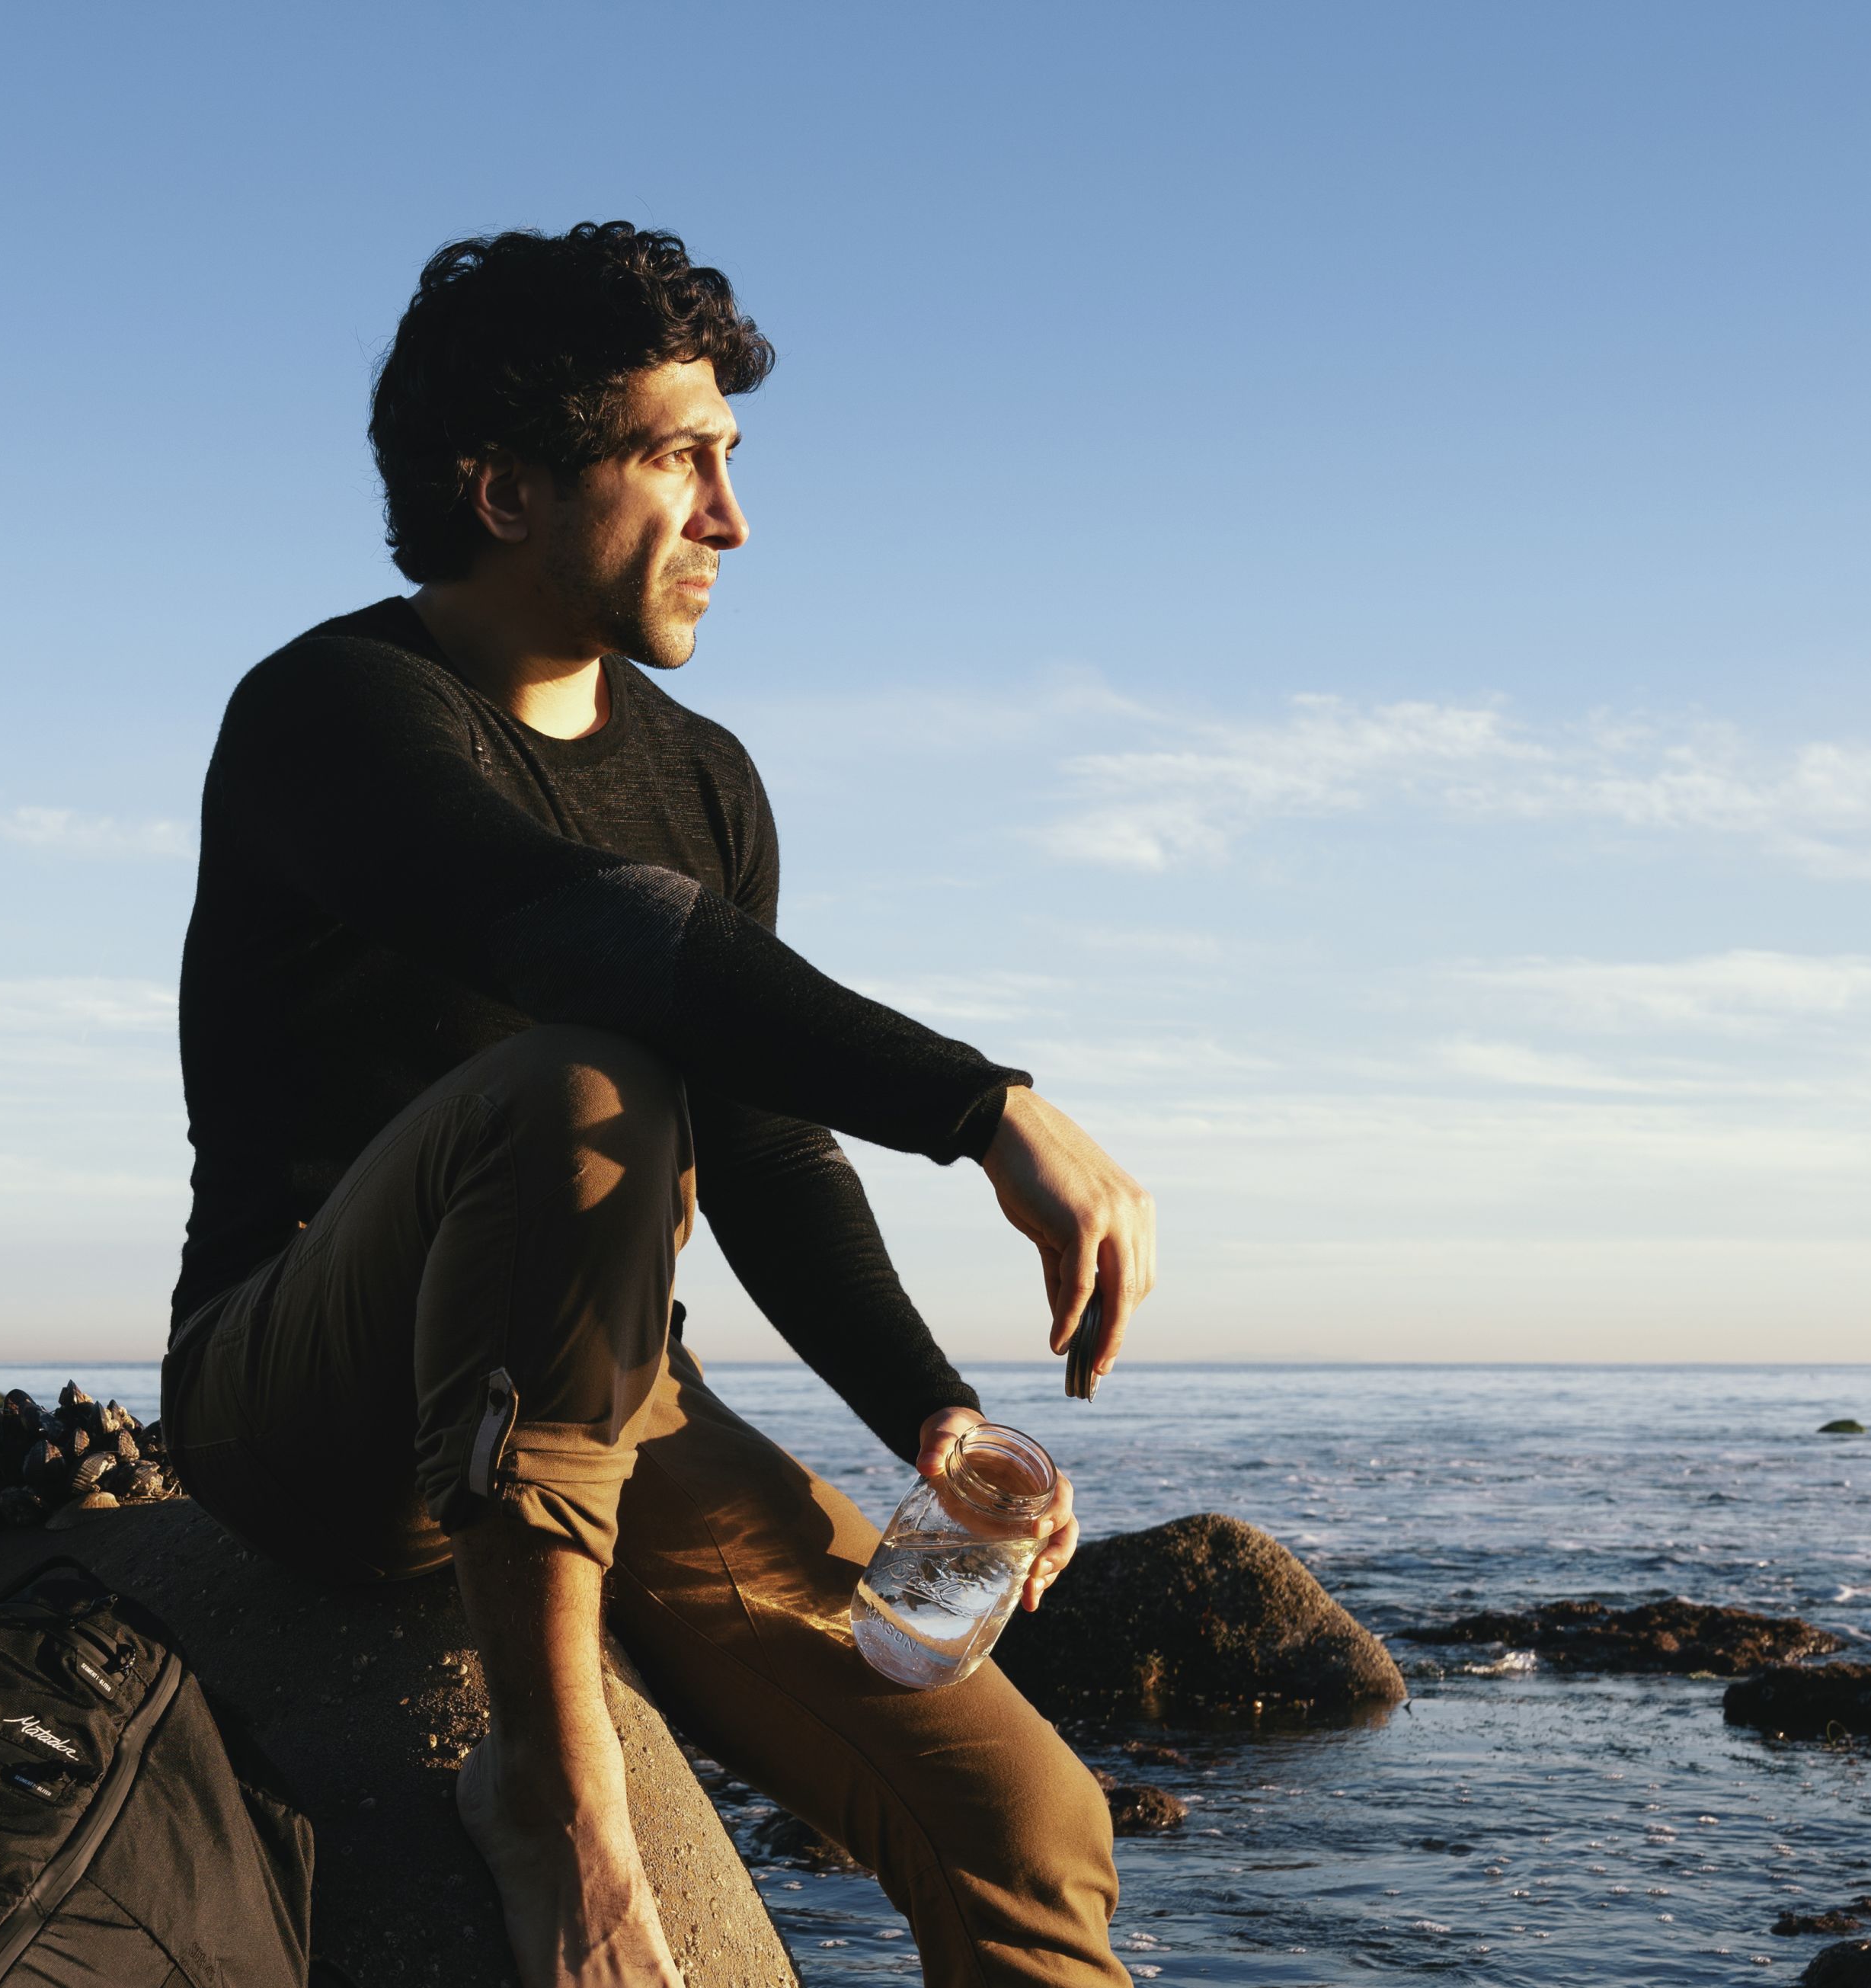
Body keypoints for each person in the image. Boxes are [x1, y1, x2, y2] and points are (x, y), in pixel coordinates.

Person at [160, 222, 1157, 1988]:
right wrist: (987, 1106)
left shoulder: (702, 777)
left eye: (731, 459)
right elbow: (585, 936)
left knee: (1029, 1825)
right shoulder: (335, 710)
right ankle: (559, 1805)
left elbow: (761, 1132)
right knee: (579, 1078)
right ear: (502, 489)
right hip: (308, 1380)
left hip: (608, 1396)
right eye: (675, 459)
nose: (731, 519)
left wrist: (924, 1413)